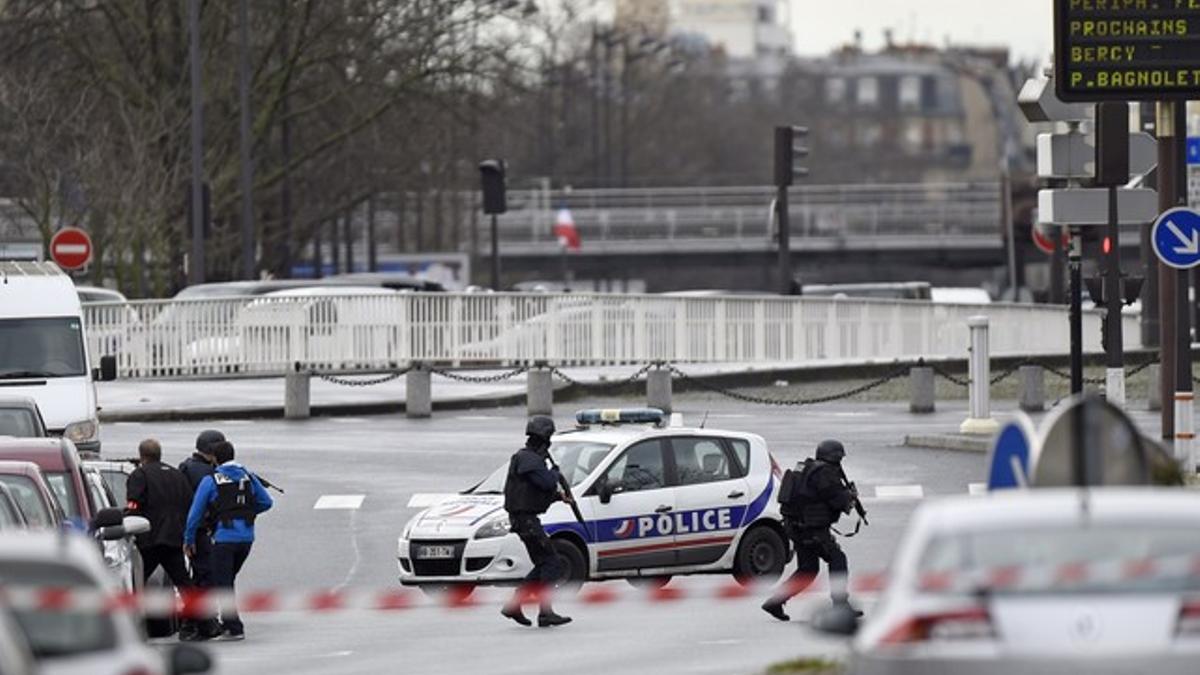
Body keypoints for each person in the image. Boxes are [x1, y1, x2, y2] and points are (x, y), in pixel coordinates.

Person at [762, 439, 862, 622]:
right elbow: (838, 501)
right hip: (812, 529)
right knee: (837, 559)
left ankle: (776, 602)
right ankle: (840, 605)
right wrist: (851, 497)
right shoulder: (826, 473)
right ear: (836, 457)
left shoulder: (805, 468)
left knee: (808, 569)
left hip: (795, 526)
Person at [184, 440, 273, 641]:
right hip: (247, 538)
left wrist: (189, 539)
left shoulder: (211, 480)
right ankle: (228, 622)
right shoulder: (247, 476)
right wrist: (246, 513)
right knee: (226, 579)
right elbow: (266, 502)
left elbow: (194, 514)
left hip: (223, 538)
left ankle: (233, 627)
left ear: (214, 458)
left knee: (222, 582)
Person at [124, 439, 201, 639]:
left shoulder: (140, 475)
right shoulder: (177, 475)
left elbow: (134, 504)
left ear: (142, 456)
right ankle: (202, 622)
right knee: (183, 582)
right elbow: (190, 503)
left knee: (136, 581)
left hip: (149, 538)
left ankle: (125, 623)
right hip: (174, 537)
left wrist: (126, 519)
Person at [500, 416, 572, 628]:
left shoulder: (527, 459)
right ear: (545, 440)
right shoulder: (529, 460)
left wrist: (560, 497)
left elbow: (533, 492)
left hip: (526, 520)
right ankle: (544, 612)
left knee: (544, 563)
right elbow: (546, 482)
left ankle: (515, 605)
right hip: (527, 522)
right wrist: (555, 473)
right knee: (552, 563)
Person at [178, 430, 223, 640]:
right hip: (200, 532)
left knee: (200, 577)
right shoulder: (206, 473)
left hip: (191, 530)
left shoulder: (187, 467)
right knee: (205, 579)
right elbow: (207, 506)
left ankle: (203, 621)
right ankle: (192, 624)